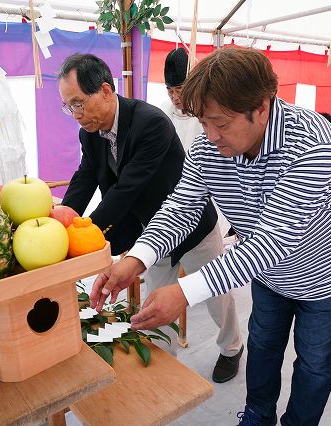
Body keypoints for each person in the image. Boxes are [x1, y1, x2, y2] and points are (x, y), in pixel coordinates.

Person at [90, 47, 331, 426]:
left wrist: (185, 293)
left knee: (316, 363)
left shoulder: (312, 142)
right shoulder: (208, 145)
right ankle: (257, 414)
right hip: (270, 277)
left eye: (220, 124)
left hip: (326, 276)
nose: (210, 136)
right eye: (204, 123)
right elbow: (182, 206)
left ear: (262, 106)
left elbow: (271, 242)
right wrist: (136, 259)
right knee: (263, 345)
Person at [57, 53, 243, 383]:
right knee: (156, 304)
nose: (74, 114)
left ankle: (232, 347)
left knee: (217, 297)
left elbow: (126, 190)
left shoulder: (150, 122)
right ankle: (166, 362)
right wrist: (65, 219)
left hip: (195, 227)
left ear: (104, 90)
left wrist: (83, 237)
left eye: (78, 103)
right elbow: (85, 176)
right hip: (151, 235)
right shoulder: (91, 132)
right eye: (68, 107)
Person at [161, 46, 232, 238]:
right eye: (170, 91)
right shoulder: (162, 114)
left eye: (179, 90)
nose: (175, 97)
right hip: (177, 196)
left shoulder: (208, 114)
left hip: (210, 193)